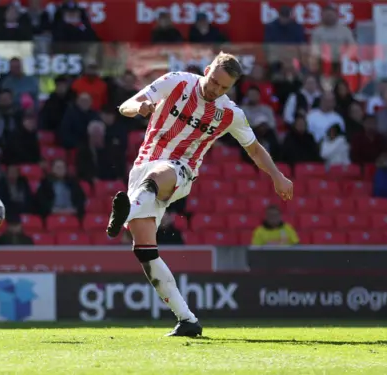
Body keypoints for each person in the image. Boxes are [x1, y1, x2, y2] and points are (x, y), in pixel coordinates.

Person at [110, 52, 293, 337]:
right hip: (142, 168)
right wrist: (140, 107)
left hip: (181, 170)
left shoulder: (230, 113)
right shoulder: (176, 82)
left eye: (224, 88)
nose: (216, 90)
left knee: (160, 174)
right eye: (214, 82)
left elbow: (254, 150)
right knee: (145, 252)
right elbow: (126, 105)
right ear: (206, 70)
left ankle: (126, 211)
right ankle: (187, 320)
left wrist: (277, 176)